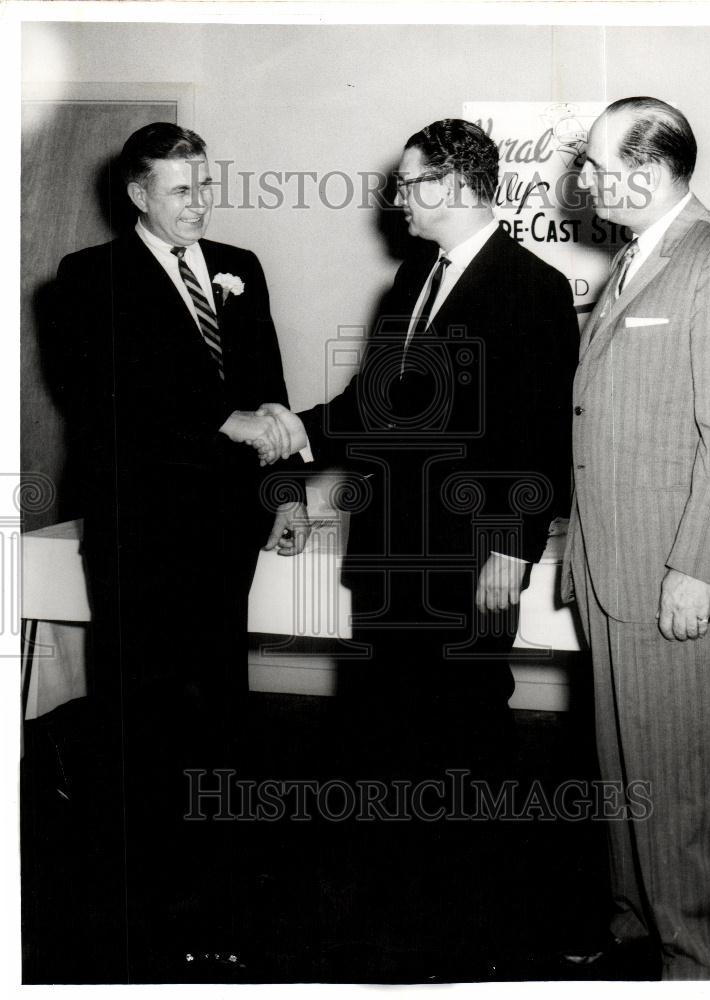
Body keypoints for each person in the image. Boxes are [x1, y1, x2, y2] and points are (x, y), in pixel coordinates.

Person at [54, 122, 309, 977]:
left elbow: (268, 391)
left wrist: (284, 496)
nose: (199, 204)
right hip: (142, 536)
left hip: (225, 529)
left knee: (221, 704)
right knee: (145, 715)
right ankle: (144, 900)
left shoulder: (243, 266)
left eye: (205, 186)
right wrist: (217, 424)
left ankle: (221, 881)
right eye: (180, 191)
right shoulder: (90, 279)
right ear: (136, 194)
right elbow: (109, 410)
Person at [259, 118, 578, 774]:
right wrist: (296, 429)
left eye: (408, 184)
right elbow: (374, 408)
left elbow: (543, 435)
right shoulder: (412, 279)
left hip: (469, 557)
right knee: (387, 726)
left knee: (467, 723)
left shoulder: (532, 288)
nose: (398, 198)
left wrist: (511, 549)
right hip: (390, 550)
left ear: (455, 185)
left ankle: (471, 868)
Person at [560, 97, 710, 980]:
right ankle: (634, 925)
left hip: (675, 577)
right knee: (625, 773)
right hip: (617, 569)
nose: (583, 180)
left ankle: (697, 962)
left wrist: (694, 571)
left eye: (598, 166)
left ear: (646, 176)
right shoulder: (636, 259)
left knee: (681, 790)